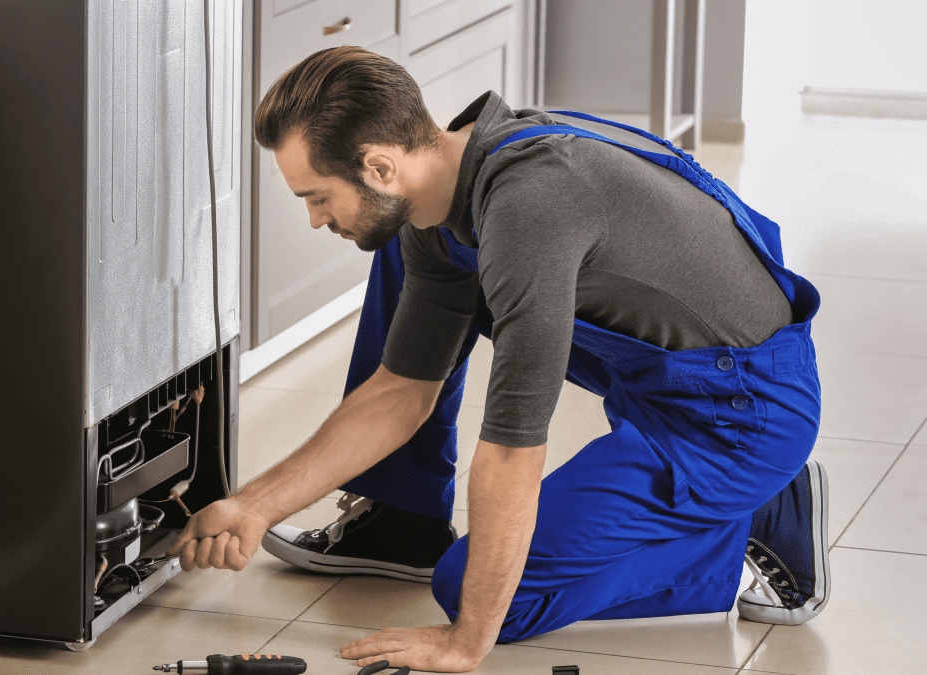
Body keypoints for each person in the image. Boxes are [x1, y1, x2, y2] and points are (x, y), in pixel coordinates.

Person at [166, 46, 829, 673]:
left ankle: (751, 525)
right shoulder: (457, 173)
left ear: (378, 166)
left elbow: (513, 450)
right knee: (403, 243)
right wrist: (254, 506)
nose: (316, 218)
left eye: (316, 196)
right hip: (671, 380)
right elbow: (401, 390)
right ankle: (400, 515)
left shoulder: (531, 207)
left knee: (479, 592)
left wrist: (466, 641)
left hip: (739, 416)